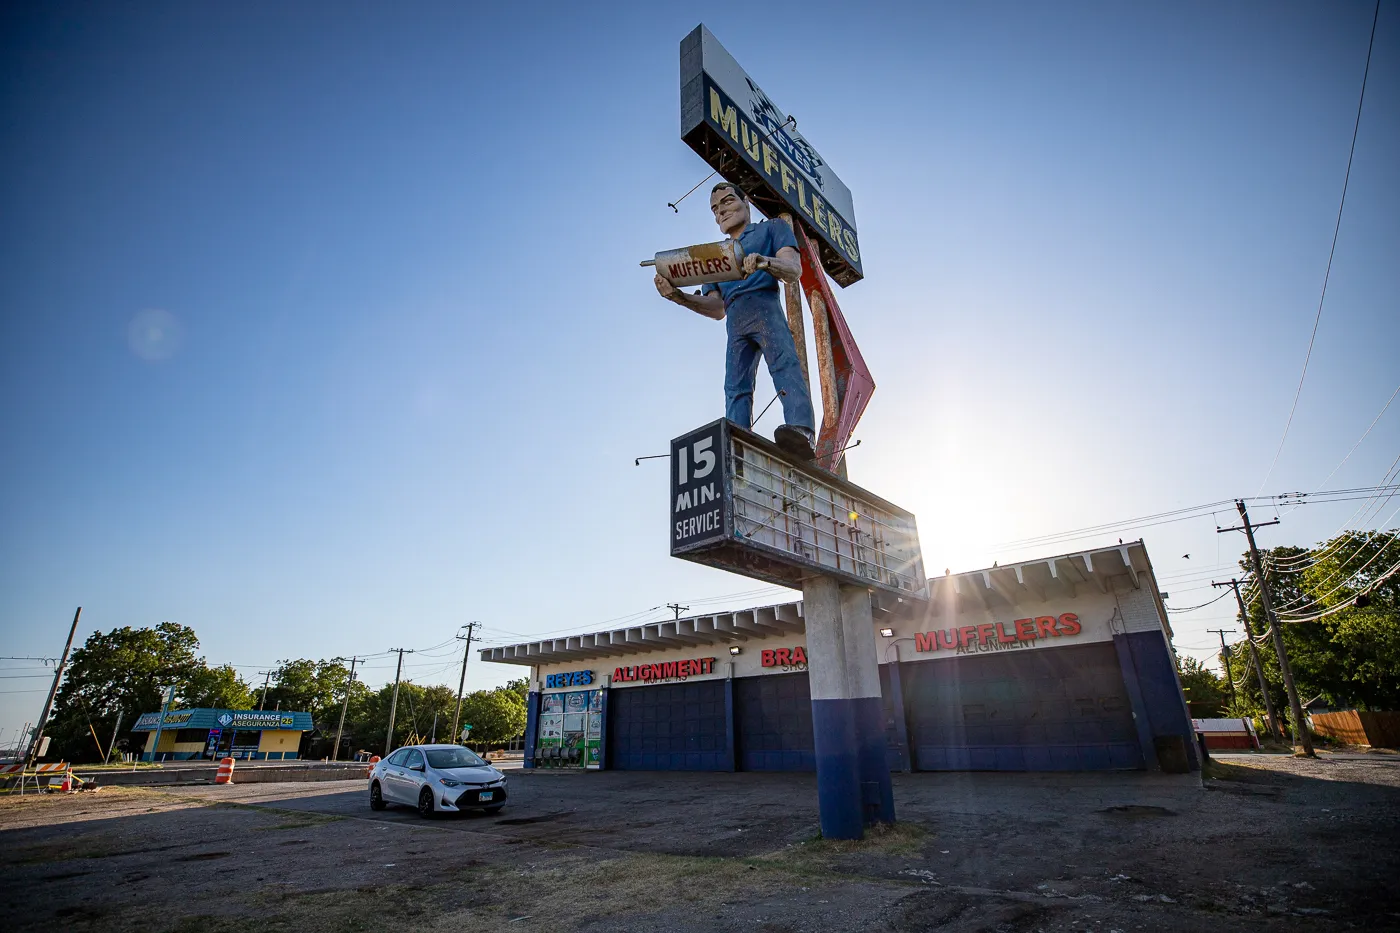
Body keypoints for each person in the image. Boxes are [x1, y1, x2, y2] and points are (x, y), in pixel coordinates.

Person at [654, 182, 817, 460]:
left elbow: (792, 270)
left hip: (764, 306)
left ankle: (801, 429)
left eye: (728, 202)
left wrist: (765, 262)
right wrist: (678, 297)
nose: (721, 212)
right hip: (735, 319)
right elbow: (717, 308)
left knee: (784, 364)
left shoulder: (772, 229)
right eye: (715, 210)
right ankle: (737, 444)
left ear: (746, 202)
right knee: (735, 385)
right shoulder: (713, 256)